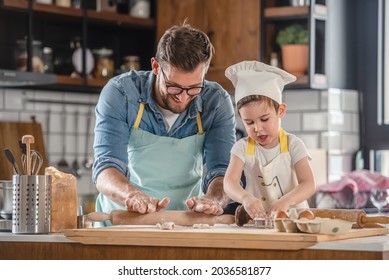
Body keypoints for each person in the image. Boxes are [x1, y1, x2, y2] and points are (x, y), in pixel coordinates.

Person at [92, 22, 237, 226]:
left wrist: (213, 199)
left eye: (194, 88)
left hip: (183, 224)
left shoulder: (216, 101)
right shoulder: (121, 93)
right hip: (122, 221)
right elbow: (105, 168)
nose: (183, 98)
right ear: (155, 67)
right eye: (174, 87)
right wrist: (131, 196)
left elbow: (222, 171)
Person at [223, 61, 316, 219]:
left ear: (281, 110)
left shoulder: (294, 145)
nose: (258, 128)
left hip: (294, 219)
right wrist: (246, 198)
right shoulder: (242, 148)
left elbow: (308, 184)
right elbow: (229, 182)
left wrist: (286, 200)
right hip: (259, 222)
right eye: (249, 122)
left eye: (264, 119)